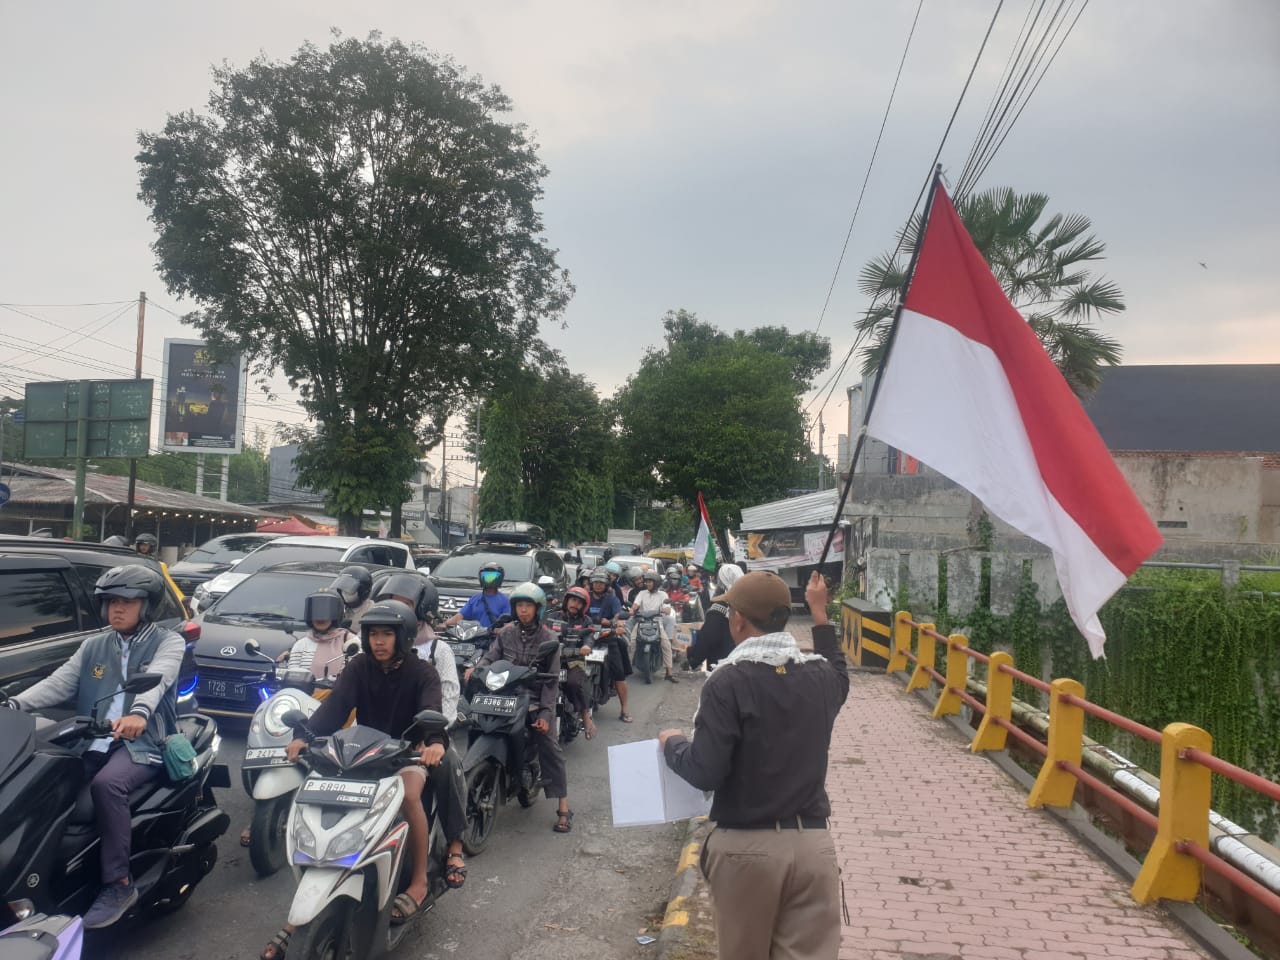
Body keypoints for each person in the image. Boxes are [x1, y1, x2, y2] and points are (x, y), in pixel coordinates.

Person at [659, 572, 849, 960]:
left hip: (747, 849)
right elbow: (841, 673)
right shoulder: (819, 676)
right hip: (814, 848)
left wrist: (672, 743)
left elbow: (705, 771)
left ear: (739, 620)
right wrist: (819, 613)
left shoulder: (728, 681)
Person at [7, 565, 184, 929]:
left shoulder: (168, 641)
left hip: (143, 741)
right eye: (111, 602)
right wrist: (14, 705)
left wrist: (138, 713)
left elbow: (160, 677)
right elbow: (58, 684)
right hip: (91, 738)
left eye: (127, 602)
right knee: (42, 780)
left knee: (108, 786)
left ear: (145, 606)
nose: (117, 609)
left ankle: (118, 883)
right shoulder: (95, 645)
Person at [282, 602, 447, 934]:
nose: (379, 642)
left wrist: (434, 743)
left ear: (403, 638)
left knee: (409, 797)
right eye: (373, 634)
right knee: (323, 797)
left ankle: (418, 881)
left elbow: (432, 709)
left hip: (406, 755)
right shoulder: (359, 667)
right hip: (360, 752)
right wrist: (304, 736)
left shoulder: (423, 672)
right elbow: (335, 707)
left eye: (387, 634)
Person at [372, 573, 467, 888]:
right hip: (378, 741)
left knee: (450, 765)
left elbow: (449, 699)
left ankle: (454, 844)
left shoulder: (438, 650)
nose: (395, 610)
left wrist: (433, 740)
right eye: (390, 603)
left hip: (425, 740)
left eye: (404, 604)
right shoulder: (372, 647)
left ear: (422, 609)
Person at [465, 582, 574, 832]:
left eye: (528, 606)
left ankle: (564, 808)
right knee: (477, 726)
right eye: (519, 605)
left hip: (534, 700)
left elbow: (551, 682)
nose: (523, 611)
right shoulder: (506, 634)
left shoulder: (549, 639)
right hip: (504, 695)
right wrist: (477, 668)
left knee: (549, 745)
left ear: (538, 609)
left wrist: (546, 714)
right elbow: (491, 656)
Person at [546, 586, 599, 739]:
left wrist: (587, 646)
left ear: (584, 606)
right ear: (567, 600)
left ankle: (585, 716)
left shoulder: (586, 621)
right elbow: (542, 633)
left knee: (573, 683)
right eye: (573, 600)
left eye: (579, 602)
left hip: (574, 661)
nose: (575, 604)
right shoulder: (552, 616)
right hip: (551, 661)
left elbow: (590, 636)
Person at [587, 569, 633, 722]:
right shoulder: (585, 598)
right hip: (587, 637)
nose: (598, 585)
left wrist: (616, 623)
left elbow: (618, 615)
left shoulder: (612, 599)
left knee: (619, 673)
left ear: (607, 584)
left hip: (607, 637)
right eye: (596, 582)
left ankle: (625, 709)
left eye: (601, 583)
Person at [686, 564, 742, 671]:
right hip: (744, 663)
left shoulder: (719, 608)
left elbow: (707, 639)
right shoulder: (748, 604)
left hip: (722, 668)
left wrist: (693, 656)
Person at [630, 570, 679, 683]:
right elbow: (635, 605)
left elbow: (667, 608)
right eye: (646, 581)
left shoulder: (663, 595)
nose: (647, 583)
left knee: (666, 645)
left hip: (657, 622)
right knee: (632, 641)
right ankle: (627, 669)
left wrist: (665, 609)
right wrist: (632, 610)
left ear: (656, 583)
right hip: (642, 622)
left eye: (649, 581)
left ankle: (669, 673)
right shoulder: (642, 593)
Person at [443, 561, 511, 629]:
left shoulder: (505, 601)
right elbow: (459, 617)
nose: (489, 580)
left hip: (494, 638)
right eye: (486, 576)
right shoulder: (475, 599)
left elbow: (509, 623)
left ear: (500, 578)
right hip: (475, 637)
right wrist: (445, 624)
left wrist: (500, 630)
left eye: (493, 577)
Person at [330, 565, 374, 633]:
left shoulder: (371, 612)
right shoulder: (339, 608)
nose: (344, 593)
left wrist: (348, 632)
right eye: (342, 588)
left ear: (363, 591)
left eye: (349, 589)